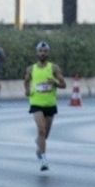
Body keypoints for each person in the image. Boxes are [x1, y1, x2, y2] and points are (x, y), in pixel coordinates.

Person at [23, 41, 66, 171]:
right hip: (36, 103)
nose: (43, 53)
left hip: (50, 104)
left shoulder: (54, 68)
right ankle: (43, 159)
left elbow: (63, 85)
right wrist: (27, 91)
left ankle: (39, 148)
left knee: (45, 135)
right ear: (37, 53)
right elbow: (25, 81)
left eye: (45, 51)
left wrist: (55, 82)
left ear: (48, 53)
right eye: (40, 51)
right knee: (41, 130)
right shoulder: (31, 69)